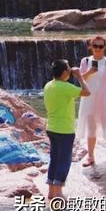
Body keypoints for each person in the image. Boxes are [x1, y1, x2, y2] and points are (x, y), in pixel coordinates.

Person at [43, 59, 91, 201]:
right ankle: (58, 193)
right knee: (64, 161)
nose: (70, 69)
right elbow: (87, 92)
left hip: (51, 128)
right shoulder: (66, 87)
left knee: (54, 159)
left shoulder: (48, 85)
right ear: (64, 72)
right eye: (68, 68)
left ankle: (51, 192)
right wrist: (80, 76)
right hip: (64, 129)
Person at [77, 36, 106, 167]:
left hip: (104, 97)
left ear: (105, 47)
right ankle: (90, 156)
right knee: (91, 128)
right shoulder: (85, 61)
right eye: (95, 46)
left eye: (100, 46)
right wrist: (89, 72)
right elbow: (80, 79)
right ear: (91, 46)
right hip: (89, 98)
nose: (97, 49)